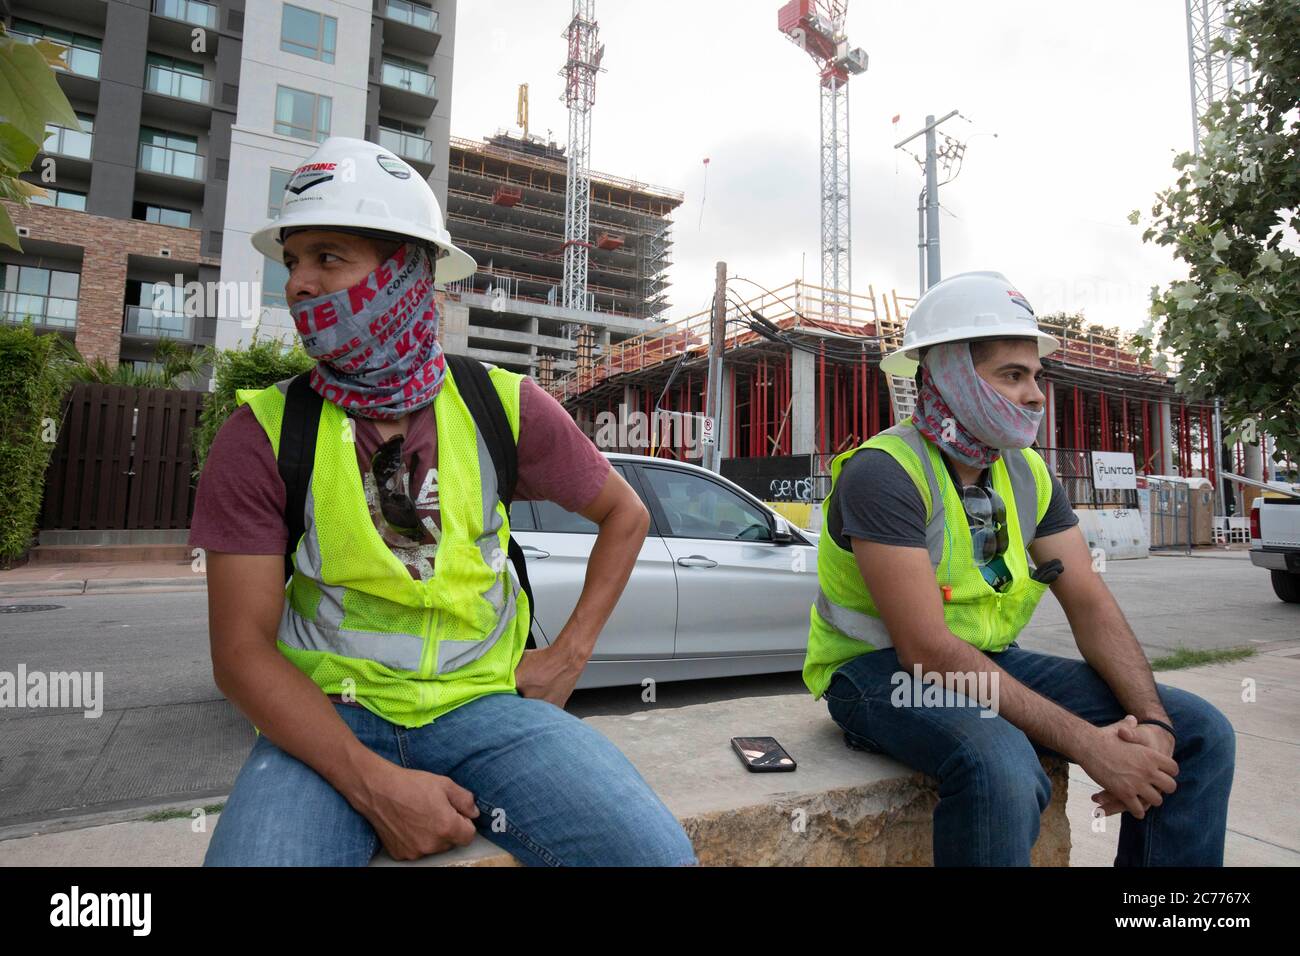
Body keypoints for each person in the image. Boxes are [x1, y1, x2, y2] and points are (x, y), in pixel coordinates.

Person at [192, 137, 695, 867]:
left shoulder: (502, 404)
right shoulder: (263, 433)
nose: (298, 283)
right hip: (331, 719)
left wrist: (568, 655)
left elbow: (627, 513)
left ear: (403, 274)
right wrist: (374, 786)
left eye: (328, 257)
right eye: (293, 260)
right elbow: (240, 655)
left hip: (486, 708)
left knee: (658, 859)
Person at [803, 271, 1236, 866]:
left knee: (1200, 734)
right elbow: (924, 649)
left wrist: (1154, 723)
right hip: (878, 676)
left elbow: (1088, 599)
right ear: (950, 374)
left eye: (1036, 377)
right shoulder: (885, 472)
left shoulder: (1027, 471)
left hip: (984, 663)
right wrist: (1091, 746)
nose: (1035, 395)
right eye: (1012, 375)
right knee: (1002, 768)